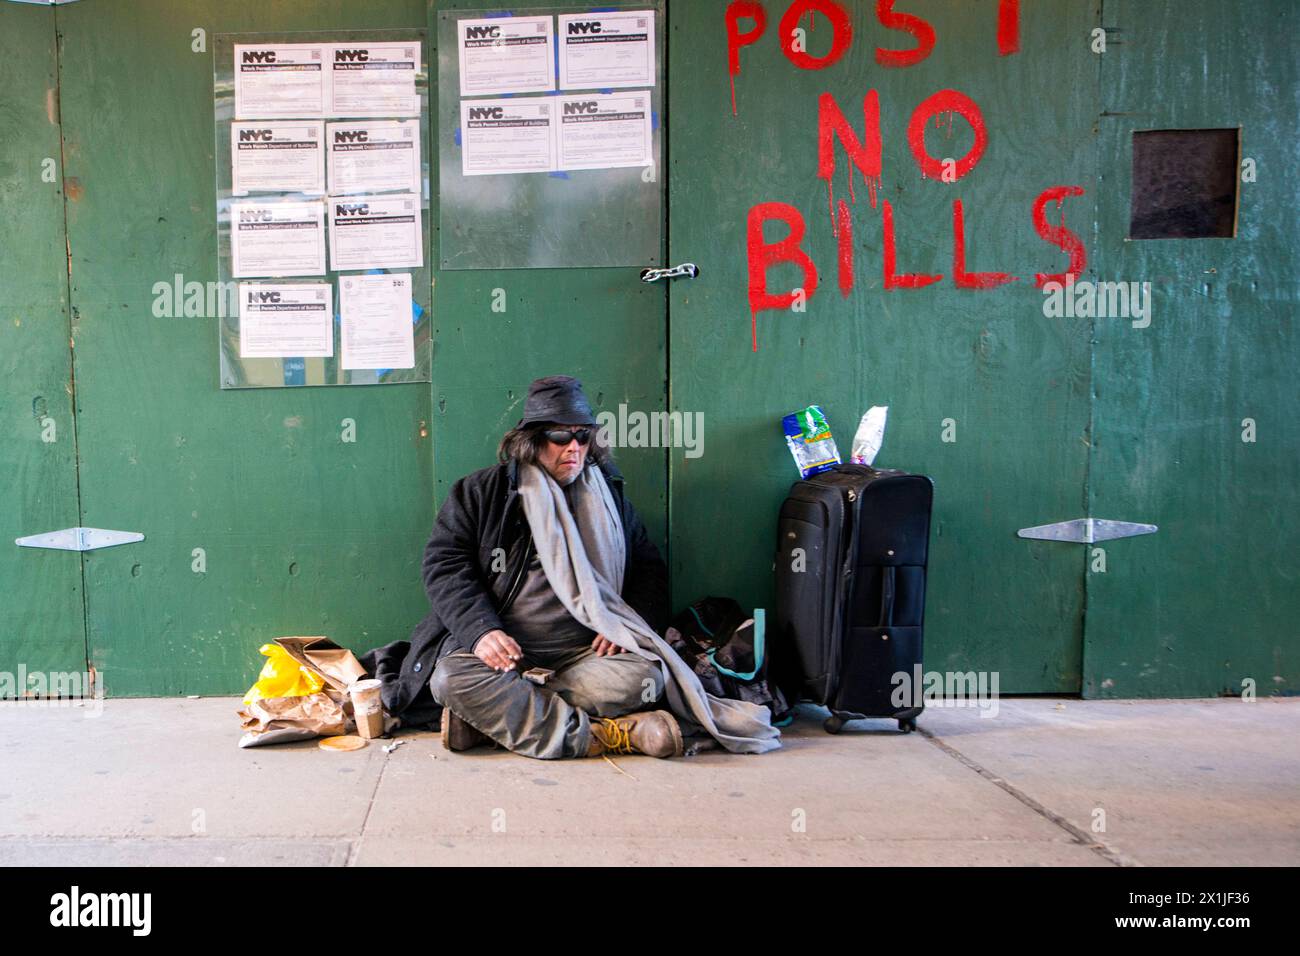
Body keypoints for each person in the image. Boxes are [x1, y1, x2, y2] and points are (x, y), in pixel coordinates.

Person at [416, 375, 683, 759]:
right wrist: (481, 631)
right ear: (531, 440)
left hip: (581, 656)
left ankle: (497, 719)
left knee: (647, 678)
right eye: (560, 436)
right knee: (449, 680)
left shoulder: (607, 495)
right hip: (504, 655)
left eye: (583, 435)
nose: (574, 448)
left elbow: (647, 564)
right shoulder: (481, 493)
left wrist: (630, 621)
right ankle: (604, 737)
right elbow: (444, 563)